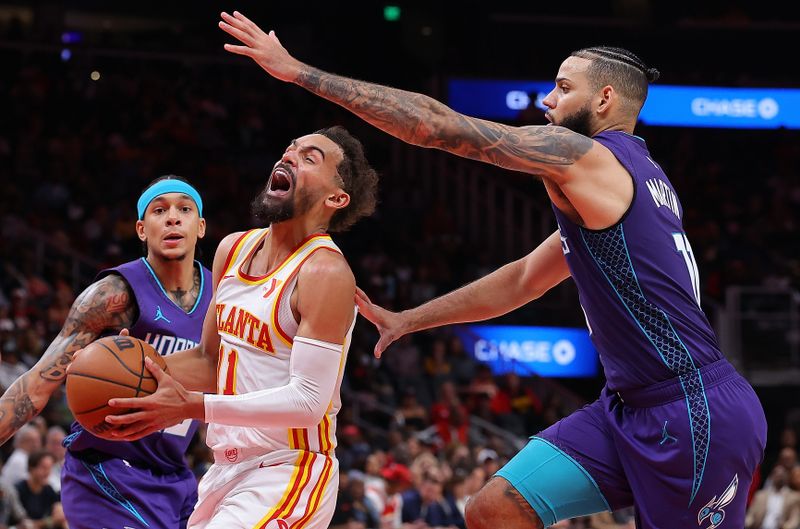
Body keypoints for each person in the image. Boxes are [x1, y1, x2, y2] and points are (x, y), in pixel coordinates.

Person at [216, 11, 767, 528]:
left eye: (562, 88)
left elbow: (434, 126)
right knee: (493, 509)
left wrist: (299, 74)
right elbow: (524, 279)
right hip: (628, 406)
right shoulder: (631, 182)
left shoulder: (590, 157)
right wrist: (410, 319)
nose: (547, 100)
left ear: (604, 100)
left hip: (696, 414)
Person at [104, 126, 379, 529]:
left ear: (336, 198)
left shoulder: (325, 271)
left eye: (309, 158)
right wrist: (131, 367)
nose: (288, 157)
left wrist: (192, 406)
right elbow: (210, 360)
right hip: (225, 469)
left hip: (291, 469)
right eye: (290, 148)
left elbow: (308, 404)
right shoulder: (233, 248)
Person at [0, 175, 212, 529]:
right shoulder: (112, 295)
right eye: (160, 210)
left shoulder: (223, 298)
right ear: (142, 229)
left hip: (175, 476)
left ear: (200, 226)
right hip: (106, 470)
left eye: (184, 209)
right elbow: (37, 384)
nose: (173, 217)